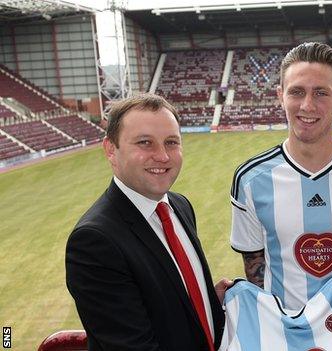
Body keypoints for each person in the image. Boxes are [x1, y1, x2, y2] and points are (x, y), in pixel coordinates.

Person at [229, 42, 332, 310]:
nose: (307, 105)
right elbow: (255, 269)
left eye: (321, 93)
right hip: (283, 334)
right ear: (280, 95)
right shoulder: (250, 180)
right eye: (297, 92)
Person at [66, 93, 226, 351]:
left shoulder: (179, 206)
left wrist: (208, 300)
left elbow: (169, 300)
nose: (163, 156)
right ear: (111, 149)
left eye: (172, 142)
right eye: (145, 143)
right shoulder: (94, 241)